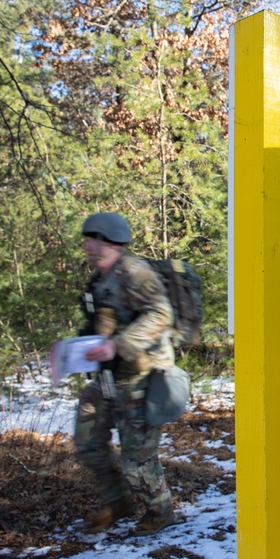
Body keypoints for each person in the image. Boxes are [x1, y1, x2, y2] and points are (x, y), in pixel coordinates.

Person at [73, 212, 178, 536]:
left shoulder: (135, 272)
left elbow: (161, 314)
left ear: (110, 242)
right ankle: (118, 503)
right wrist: (71, 351)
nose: (88, 246)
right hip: (105, 380)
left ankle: (160, 511)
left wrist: (117, 346)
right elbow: (97, 327)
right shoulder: (98, 280)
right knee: (88, 444)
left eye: (93, 239)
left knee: (137, 460)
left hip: (139, 379)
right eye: (87, 240)